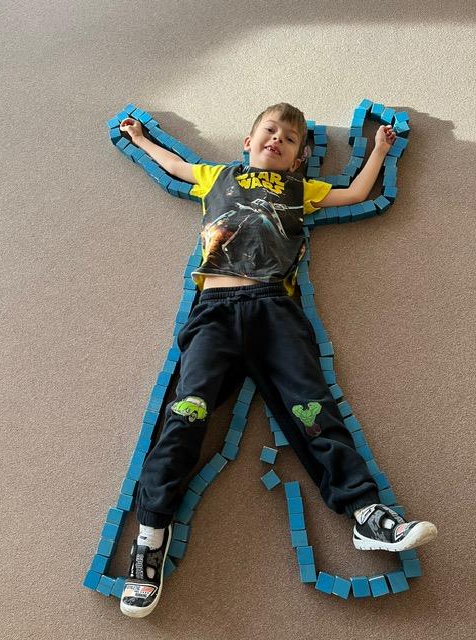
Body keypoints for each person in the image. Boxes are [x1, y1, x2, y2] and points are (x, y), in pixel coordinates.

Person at [117, 103, 437, 617]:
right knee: (186, 414)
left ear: (297, 159)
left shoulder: (300, 189)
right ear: (248, 141)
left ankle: (366, 513)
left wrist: (379, 150)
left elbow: (356, 193)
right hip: (215, 312)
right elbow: (176, 166)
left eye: (289, 140)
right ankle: (151, 534)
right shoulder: (216, 176)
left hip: (275, 310)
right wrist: (138, 139)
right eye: (269, 131)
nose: (277, 140)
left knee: (313, 408)